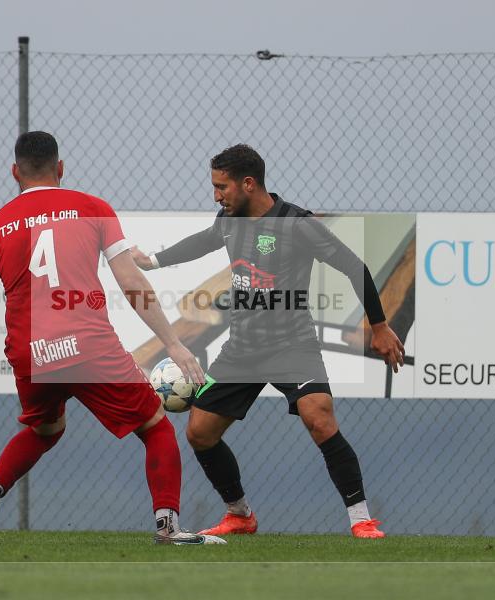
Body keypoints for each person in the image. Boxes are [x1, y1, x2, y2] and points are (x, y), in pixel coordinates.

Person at [0, 131, 224, 546]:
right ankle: (168, 529)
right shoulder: (93, 208)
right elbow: (131, 280)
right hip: (88, 343)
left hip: (30, 350)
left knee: (45, 429)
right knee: (156, 427)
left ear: (14, 173)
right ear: (60, 168)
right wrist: (172, 342)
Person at [132, 144, 404, 539]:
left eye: (221, 186)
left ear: (248, 183)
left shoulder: (298, 224)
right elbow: (205, 241)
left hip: (292, 346)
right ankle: (239, 515)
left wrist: (378, 326)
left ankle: (361, 520)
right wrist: (154, 261)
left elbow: (353, 266)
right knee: (200, 433)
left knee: (319, 417)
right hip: (243, 348)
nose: (216, 195)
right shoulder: (228, 220)